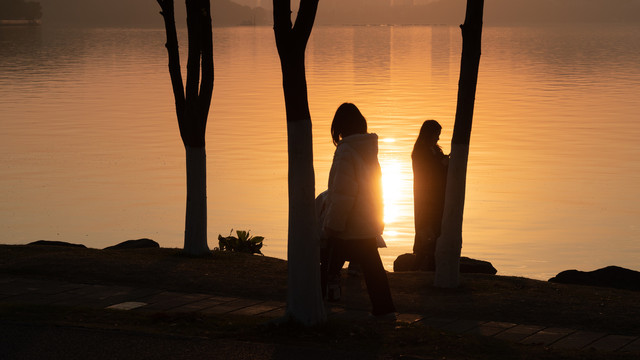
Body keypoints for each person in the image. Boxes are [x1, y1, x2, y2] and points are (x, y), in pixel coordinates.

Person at [322, 102, 396, 317]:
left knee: (328, 261)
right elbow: (376, 186)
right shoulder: (368, 151)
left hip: (350, 222)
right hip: (366, 219)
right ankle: (385, 310)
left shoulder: (346, 151)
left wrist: (333, 223)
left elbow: (344, 192)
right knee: (373, 268)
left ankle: (319, 303)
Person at [412, 120, 449, 271]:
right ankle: (423, 259)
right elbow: (428, 171)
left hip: (437, 197)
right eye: (436, 135)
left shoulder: (434, 150)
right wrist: (442, 164)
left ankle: (429, 260)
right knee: (426, 225)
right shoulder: (420, 152)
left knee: (435, 226)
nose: (438, 138)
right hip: (426, 197)